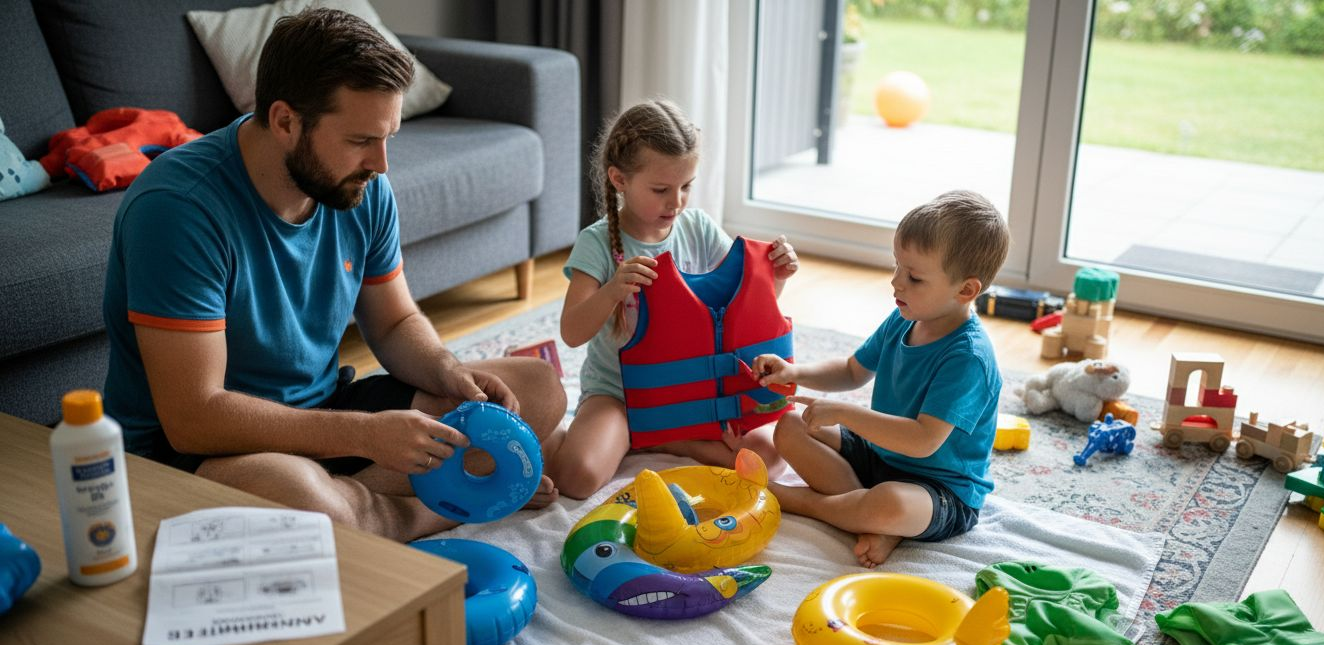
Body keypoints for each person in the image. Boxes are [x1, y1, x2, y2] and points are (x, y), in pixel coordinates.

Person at [101, 8, 565, 542]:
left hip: (323, 412)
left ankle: (374, 508)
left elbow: (394, 324)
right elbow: (194, 419)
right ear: (285, 122)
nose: (382, 164)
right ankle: (434, 504)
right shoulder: (179, 209)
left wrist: (446, 371)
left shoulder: (361, 187)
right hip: (204, 450)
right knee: (302, 499)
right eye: (361, 139)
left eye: (388, 137)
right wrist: (366, 436)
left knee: (538, 389)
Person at [550, 98, 800, 499]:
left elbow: (741, 315)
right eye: (661, 189)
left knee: (770, 458)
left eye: (686, 186)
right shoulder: (596, 243)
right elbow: (572, 332)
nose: (677, 201)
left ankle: (665, 439)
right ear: (619, 179)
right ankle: (648, 434)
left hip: (695, 392)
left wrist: (777, 278)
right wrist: (613, 290)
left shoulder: (697, 227)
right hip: (620, 395)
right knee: (576, 477)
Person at [753, 190, 1010, 568]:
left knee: (891, 503)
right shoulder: (906, 317)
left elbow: (922, 441)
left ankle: (807, 503)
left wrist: (844, 413)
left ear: (966, 290)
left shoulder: (968, 358)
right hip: (880, 457)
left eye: (914, 277)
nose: (896, 282)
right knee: (791, 426)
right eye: (897, 266)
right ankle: (869, 519)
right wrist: (795, 372)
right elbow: (852, 370)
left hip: (940, 490)